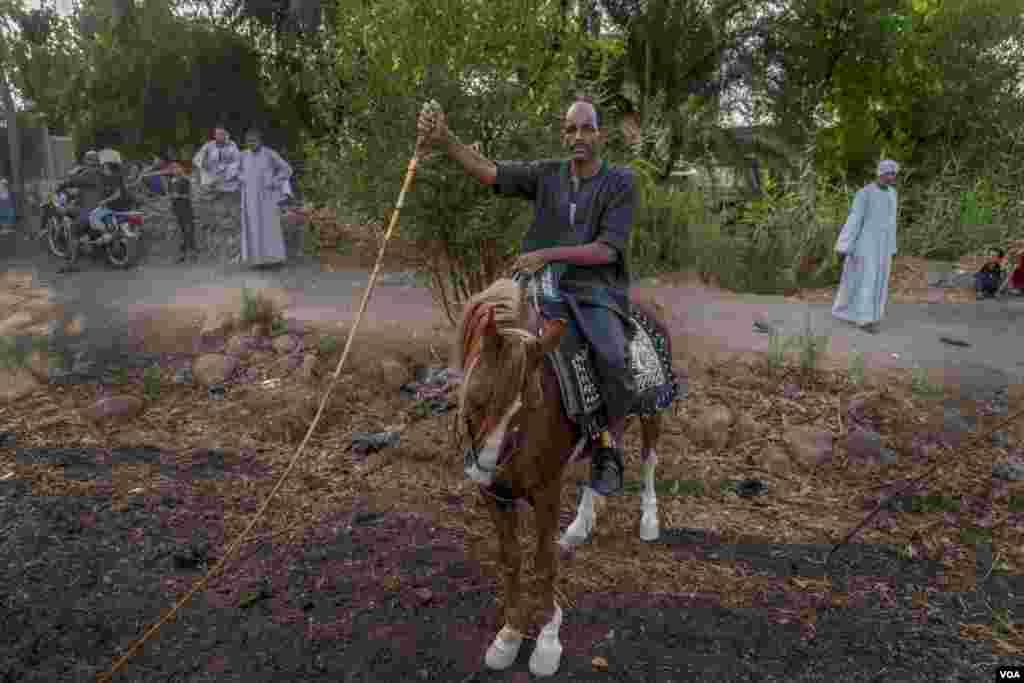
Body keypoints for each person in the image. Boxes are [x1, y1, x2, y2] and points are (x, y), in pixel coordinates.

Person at [417, 98, 638, 496]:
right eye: (571, 130)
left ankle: (608, 447)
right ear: (563, 135)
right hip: (539, 286)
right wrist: (446, 140)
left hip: (594, 292)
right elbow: (490, 171)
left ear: (599, 134)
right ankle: (475, 420)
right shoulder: (547, 174)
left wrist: (546, 254)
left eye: (587, 128)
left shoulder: (620, 182)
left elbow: (607, 250)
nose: (579, 137)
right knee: (490, 329)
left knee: (614, 357)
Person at [832, 159, 900, 333]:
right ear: (881, 173)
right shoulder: (865, 193)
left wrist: (892, 248)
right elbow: (855, 220)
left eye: (894, 173)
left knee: (879, 280)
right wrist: (844, 246)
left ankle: (873, 315)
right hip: (866, 245)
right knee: (866, 280)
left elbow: (892, 223)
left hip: (883, 247)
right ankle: (864, 320)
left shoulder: (892, 194)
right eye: (889, 173)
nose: (892, 177)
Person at [238, 128, 292, 267]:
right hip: (250, 198)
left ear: (259, 141)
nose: (251, 144)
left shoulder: (269, 154)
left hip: (267, 197)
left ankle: (275, 260)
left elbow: (287, 169)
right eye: (248, 142)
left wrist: (274, 181)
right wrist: (242, 178)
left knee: (270, 228)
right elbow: (235, 172)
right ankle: (258, 261)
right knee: (254, 228)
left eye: (253, 141)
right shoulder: (243, 155)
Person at [55, 150, 105, 273]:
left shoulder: (89, 172)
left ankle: (71, 264)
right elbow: (85, 188)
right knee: (74, 211)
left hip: (90, 210)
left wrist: (61, 184)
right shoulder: (102, 172)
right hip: (102, 209)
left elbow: (73, 181)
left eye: (86, 160)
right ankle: (92, 250)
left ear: (87, 160)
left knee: (74, 229)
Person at [193, 125, 240, 194]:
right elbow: (196, 159)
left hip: (226, 178)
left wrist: (226, 169)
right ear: (214, 136)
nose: (219, 136)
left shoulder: (232, 145)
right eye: (217, 134)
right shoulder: (208, 145)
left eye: (222, 134)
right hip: (210, 179)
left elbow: (237, 161)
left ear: (226, 135)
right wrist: (203, 163)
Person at [169, 161, 197, 262]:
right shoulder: (172, 181)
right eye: (172, 168)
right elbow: (171, 195)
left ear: (180, 168)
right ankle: (182, 254)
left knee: (189, 231)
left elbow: (189, 195)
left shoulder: (185, 180)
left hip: (186, 208)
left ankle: (193, 253)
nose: (174, 170)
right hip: (177, 209)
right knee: (181, 232)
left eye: (176, 168)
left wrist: (179, 195)